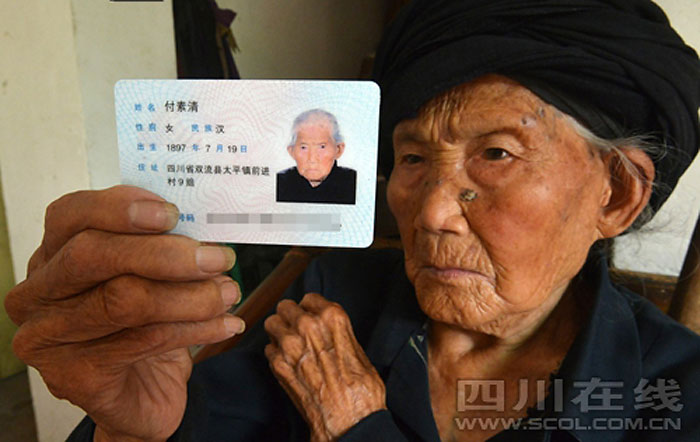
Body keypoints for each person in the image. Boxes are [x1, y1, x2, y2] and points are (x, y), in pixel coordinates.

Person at [4, 0, 700, 441]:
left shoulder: (677, 393)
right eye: (412, 157)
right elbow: (189, 419)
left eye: (496, 153)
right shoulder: (330, 297)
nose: (428, 211)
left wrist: (357, 427)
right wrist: (129, 428)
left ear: (616, 195)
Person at [276, 109, 357, 204]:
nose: (312, 159)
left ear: (338, 149)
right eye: (303, 147)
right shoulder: (281, 182)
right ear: (291, 151)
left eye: (322, 147)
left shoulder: (352, 182)